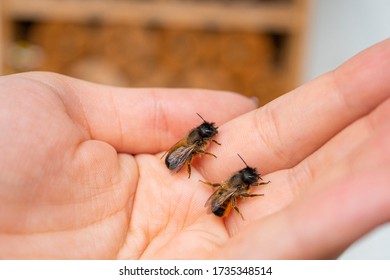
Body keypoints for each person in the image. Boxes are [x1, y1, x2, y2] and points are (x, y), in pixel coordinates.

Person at [0, 39, 389, 259]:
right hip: (192, 175)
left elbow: (207, 161)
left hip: (200, 184)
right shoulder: (206, 155)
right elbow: (199, 154)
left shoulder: (219, 171)